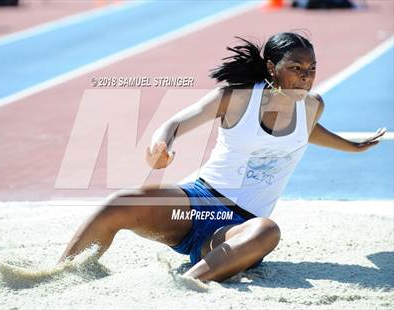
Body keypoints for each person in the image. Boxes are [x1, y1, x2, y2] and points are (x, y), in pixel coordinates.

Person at [58, 32, 385, 283]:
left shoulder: (312, 107)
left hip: (238, 230)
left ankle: (185, 285)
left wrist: (354, 146)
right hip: (196, 203)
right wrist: (161, 145)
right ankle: (61, 274)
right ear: (272, 68)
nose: (306, 76)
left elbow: (308, 133)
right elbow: (176, 123)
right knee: (120, 203)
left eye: (311, 69)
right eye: (295, 68)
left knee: (267, 231)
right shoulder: (235, 98)